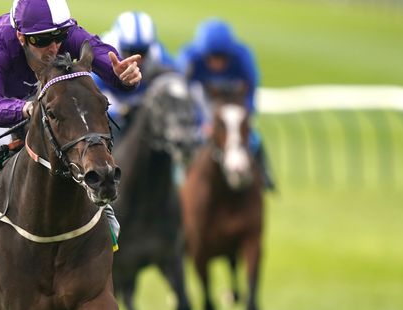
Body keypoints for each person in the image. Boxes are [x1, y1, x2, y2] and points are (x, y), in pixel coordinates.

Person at [0, 0, 143, 240]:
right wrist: (25, 108)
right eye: (42, 41)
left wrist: (121, 76)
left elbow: (100, 53)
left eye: (60, 36)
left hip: (40, 88)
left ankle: (100, 199)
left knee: (70, 130)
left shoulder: (60, 34)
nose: (54, 47)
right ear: (21, 36)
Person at [175, 17, 276, 190]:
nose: (217, 63)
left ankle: (264, 175)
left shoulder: (243, 58)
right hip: (201, 103)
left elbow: (250, 90)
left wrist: (248, 117)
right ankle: (177, 181)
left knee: (253, 140)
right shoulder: (189, 59)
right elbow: (182, 93)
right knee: (185, 140)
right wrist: (200, 123)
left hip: (232, 104)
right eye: (212, 57)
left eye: (222, 58)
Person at [95, 11, 176, 137]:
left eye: (142, 53)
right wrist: (118, 110)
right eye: (130, 51)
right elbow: (94, 89)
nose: (137, 59)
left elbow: (174, 79)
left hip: (142, 102)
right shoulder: (104, 52)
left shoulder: (157, 54)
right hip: (111, 101)